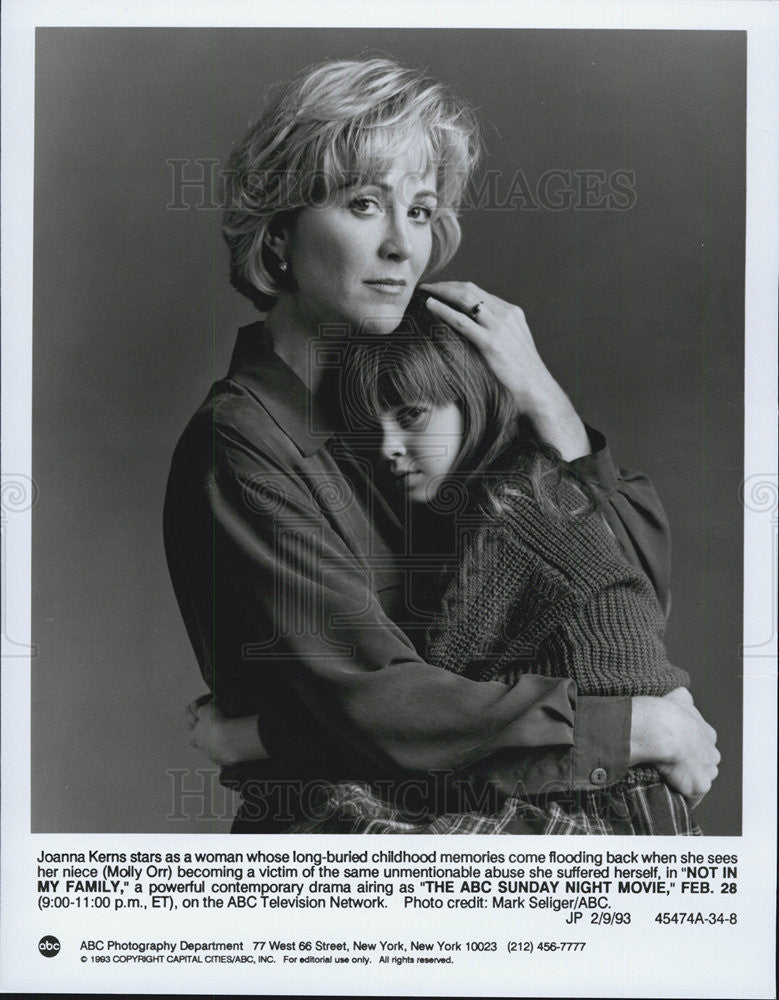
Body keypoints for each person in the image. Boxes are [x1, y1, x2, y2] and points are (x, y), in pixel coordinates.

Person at [166, 55, 719, 833]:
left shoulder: (404, 407)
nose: (401, 245)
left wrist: (540, 397)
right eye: (364, 204)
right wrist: (634, 728)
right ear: (280, 233)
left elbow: (620, 597)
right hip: (350, 857)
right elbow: (379, 707)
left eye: (420, 211)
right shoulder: (244, 438)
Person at [189, 317, 705, 834]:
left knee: (337, 829)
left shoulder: (521, 512)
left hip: (602, 808)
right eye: (373, 426)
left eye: (411, 416)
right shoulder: (473, 508)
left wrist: (250, 738)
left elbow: (414, 731)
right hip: (579, 782)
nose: (389, 446)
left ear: (471, 402)